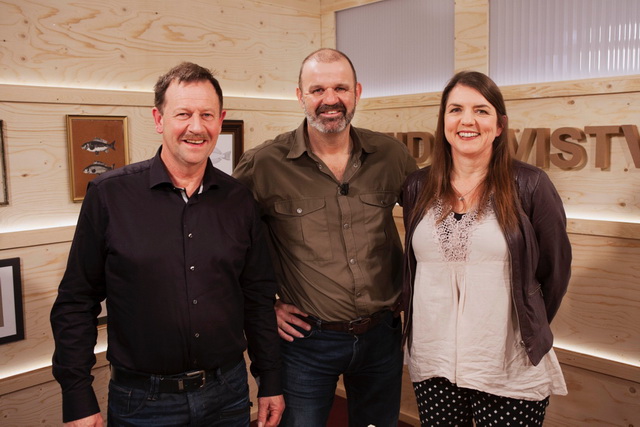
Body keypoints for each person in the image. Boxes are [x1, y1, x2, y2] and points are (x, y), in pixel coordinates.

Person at [50, 62, 284, 427]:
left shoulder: (240, 200)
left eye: (207, 114)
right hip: (143, 402)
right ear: (159, 119)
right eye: (183, 114)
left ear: (220, 120)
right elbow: (76, 300)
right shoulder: (110, 195)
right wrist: (77, 396)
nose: (196, 126)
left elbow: (257, 297)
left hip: (228, 394)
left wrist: (270, 378)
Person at [233, 48, 418, 427]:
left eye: (340, 88)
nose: (330, 99)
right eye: (317, 89)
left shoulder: (392, 155)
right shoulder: (263, 164)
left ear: (357, 92)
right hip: (305, 342)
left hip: (382, 336)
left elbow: (430, 223)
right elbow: (226, 245)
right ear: (299, 96)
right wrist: (263, 307)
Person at [401, 70, 571, 426]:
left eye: (481, 110)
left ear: (499, 125)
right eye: (456, 109)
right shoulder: (418, 186)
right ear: (443, 121)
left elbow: (554, 272)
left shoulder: (530, 185)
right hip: (434, 362)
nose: (467, 120)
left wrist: (527, 323)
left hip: (507, 364)